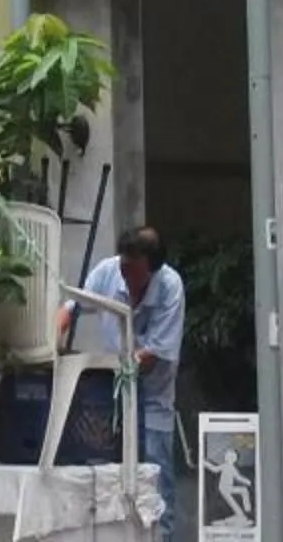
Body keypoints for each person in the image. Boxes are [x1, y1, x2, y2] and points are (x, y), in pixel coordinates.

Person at [64, 228, 185, 542]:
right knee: (115, 482)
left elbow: (152, 357)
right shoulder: (108, 271)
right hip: (113, 397)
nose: (126, 275)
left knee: (157, 484)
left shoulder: (170, 287)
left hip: (153, 396)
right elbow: (73, 306)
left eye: (133, 270)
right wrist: (53, 337)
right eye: (124, 267)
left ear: (152, 268)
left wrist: (118, 366)